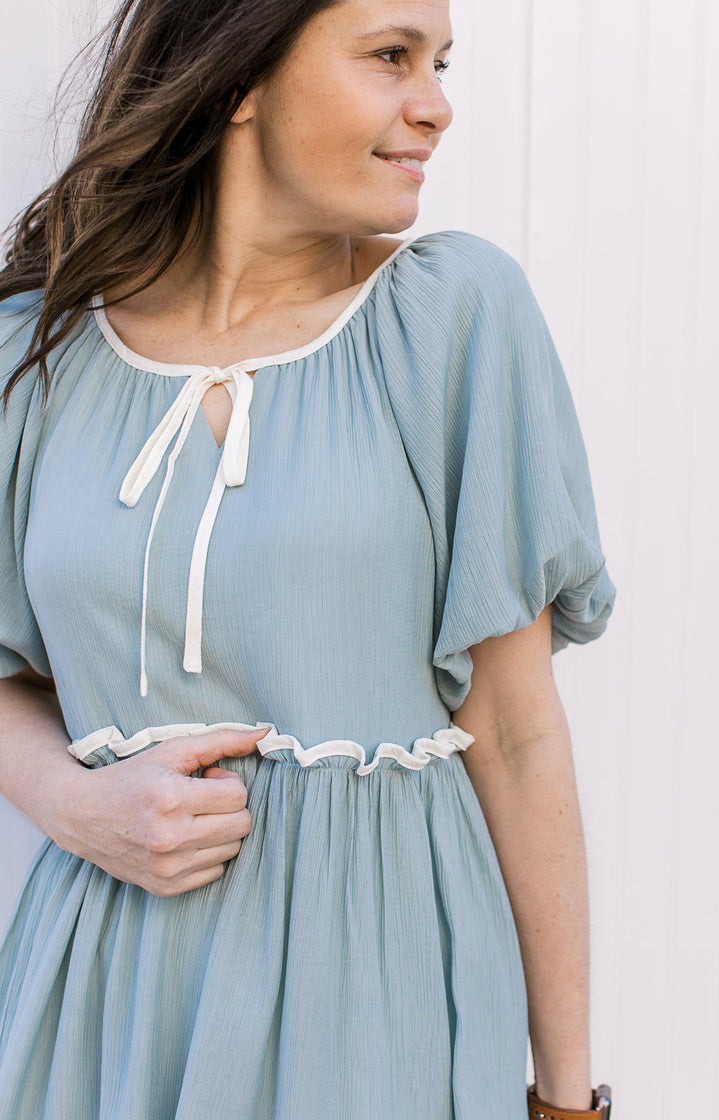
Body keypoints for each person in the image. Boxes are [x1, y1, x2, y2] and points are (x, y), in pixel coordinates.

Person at [0, 0, 616, 1116]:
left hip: (375, 990)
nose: (433, 104)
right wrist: (66, 801)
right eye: (390, 57)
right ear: (238, 77)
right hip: (105, 988)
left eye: (438, 64)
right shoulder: (35, 353)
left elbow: (519, 734)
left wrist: (567, 1099)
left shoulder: (448, 317)